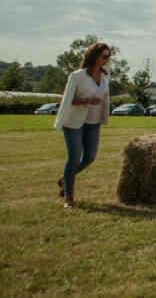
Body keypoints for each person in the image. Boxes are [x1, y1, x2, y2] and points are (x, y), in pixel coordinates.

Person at [55, 41, 111, 208]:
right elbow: (66, 100)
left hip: (93, 121)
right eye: (104, 56)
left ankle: (65, 179)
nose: (107, 59)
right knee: (73, 159)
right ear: (94, 56)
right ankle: (68, 198)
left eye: (109, 56)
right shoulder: (77, 76)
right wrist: (86, 100)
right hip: (74, 121)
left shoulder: (106, 76)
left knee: (90, 157)